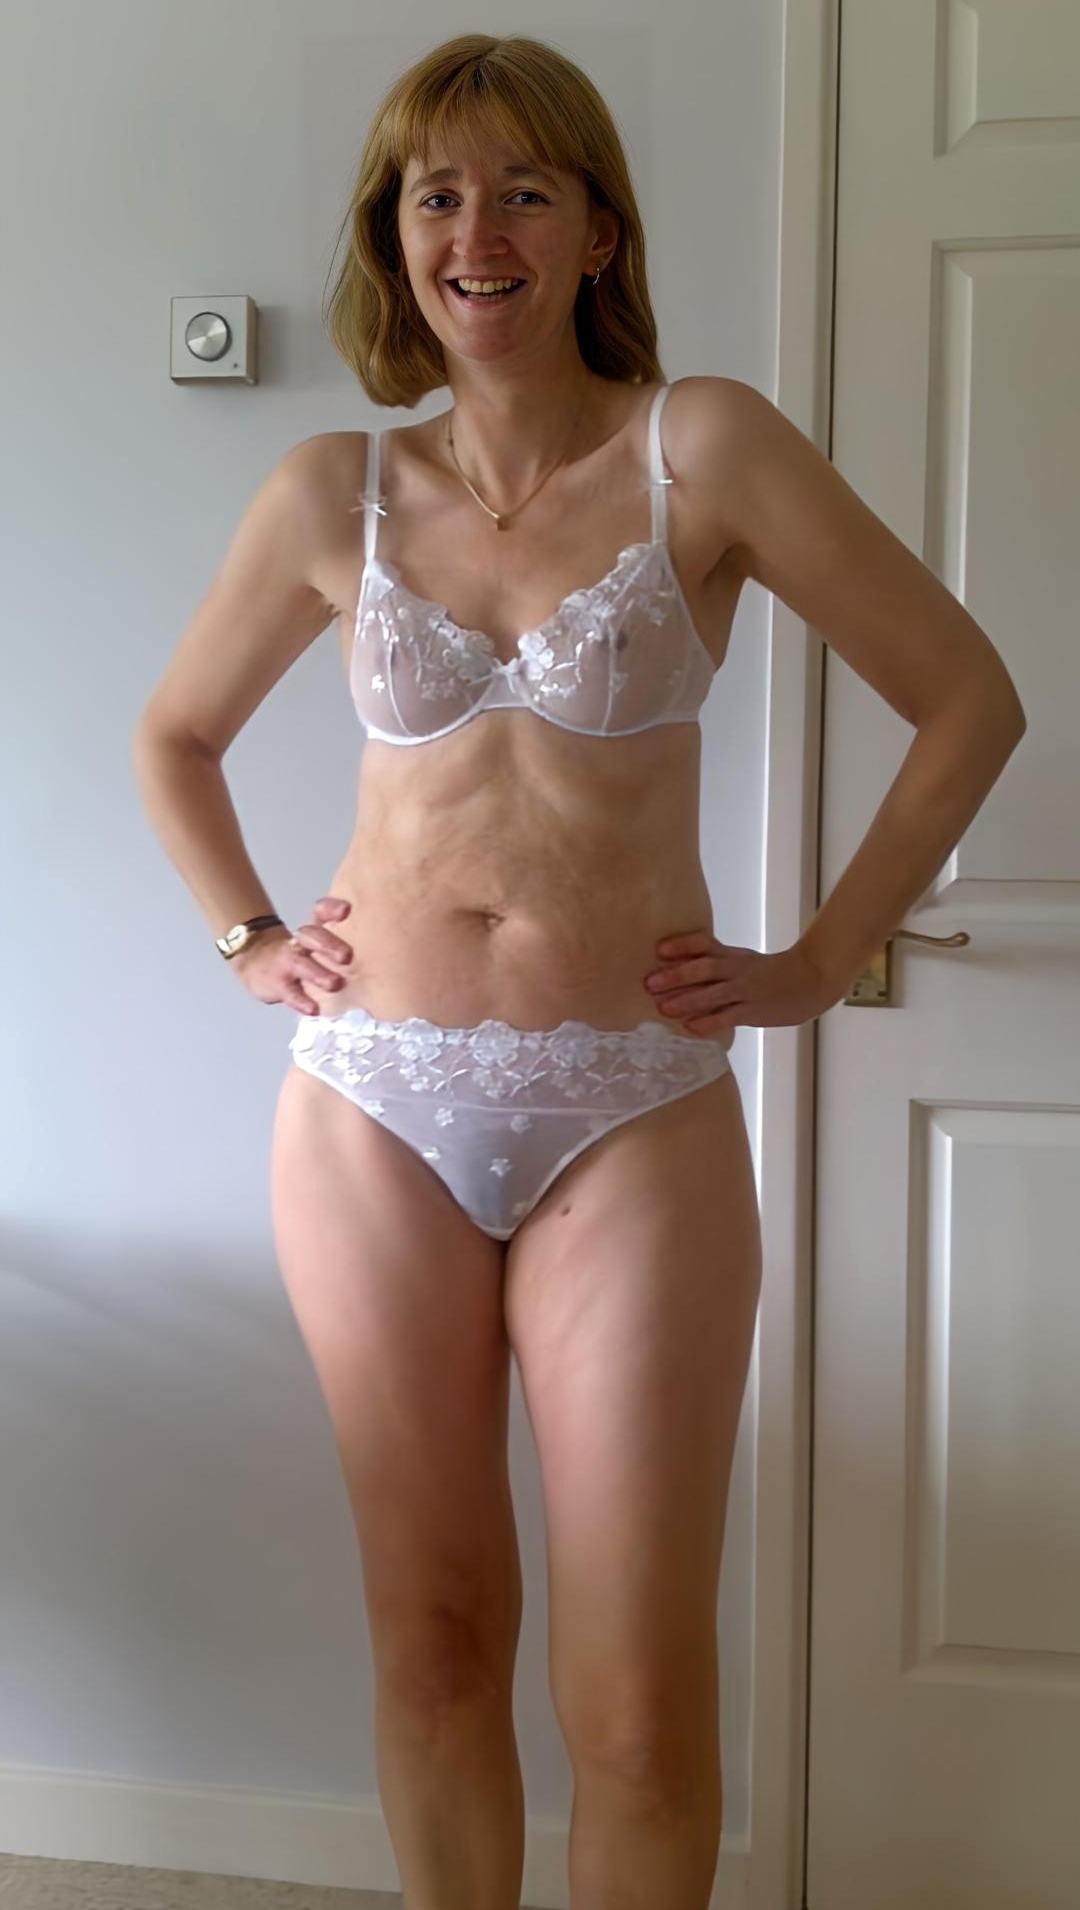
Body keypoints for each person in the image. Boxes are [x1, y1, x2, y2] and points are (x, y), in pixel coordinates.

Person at [131, 31, 1026, 1910]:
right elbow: (175, 736)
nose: (479, 234)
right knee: (436, 1637)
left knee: (634, 1701)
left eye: (526, 190)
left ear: (599, 229)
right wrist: (250, 937)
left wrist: (823, 955)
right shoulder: (329, 490)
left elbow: (968, 695)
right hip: (372, 1107)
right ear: (394, 236)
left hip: (633, 1111)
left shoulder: (705, 447)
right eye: (437, 195)